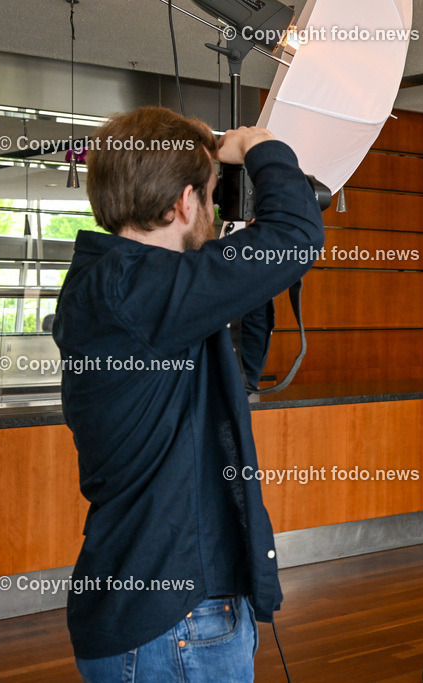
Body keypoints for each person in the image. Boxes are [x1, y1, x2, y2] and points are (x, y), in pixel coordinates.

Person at [52, 106, 324, 681]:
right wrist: (260, 145)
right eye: (210, 194)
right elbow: (297, 235)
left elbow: (243, 353)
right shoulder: (142, 291)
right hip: (176, 626)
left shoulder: (115, 285)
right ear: (182, 203)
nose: (213, 209)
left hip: (151, 611)